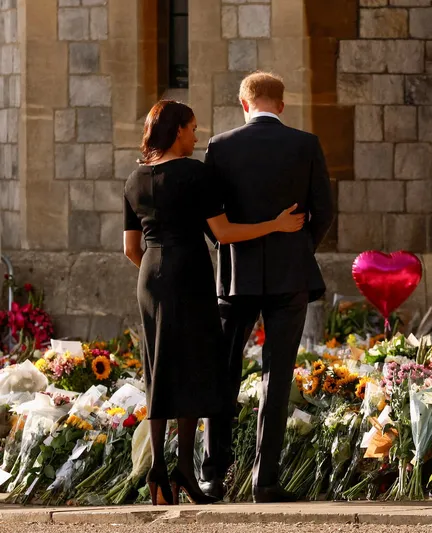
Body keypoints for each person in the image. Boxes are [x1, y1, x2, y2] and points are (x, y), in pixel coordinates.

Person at [122, 100, 306, 506]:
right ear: (176, 132)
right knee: (194, 364)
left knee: (158, 364)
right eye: (191, 129)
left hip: (149, 275)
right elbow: (223, 233)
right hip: (189, 272)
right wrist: (274, 224)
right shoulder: (194, 173)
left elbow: (130, 248)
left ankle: (158, 471)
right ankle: (185, 469)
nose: (196, 136)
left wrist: (156, 270)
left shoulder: (135, 179)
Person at [200, 72, 333, 503]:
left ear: (244, 104)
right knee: (277, 376)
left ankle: (213, 476)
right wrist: (297, 247)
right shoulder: (306, 144)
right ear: (280, 104)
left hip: (235, 276)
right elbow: (324, 211)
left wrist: (231, 250)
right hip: (289, 276)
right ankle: (265, 480)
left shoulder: (220, 146)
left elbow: (211, 220)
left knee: (223, 372)